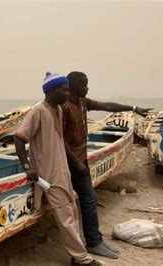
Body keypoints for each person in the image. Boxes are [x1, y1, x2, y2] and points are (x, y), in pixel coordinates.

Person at [61, 71, 152, 259]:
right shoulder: (65, 107)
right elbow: (59, 138)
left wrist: (134, 108)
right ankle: (93, 242)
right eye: (84, 84)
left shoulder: (82, 102)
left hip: (81, 159)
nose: (87, 87)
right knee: (88, 198)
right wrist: (76, 161)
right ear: (75, 85)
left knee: (87, 198)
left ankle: (94, 241)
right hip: (70, 162)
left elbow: (107, 106)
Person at [14, 72, 102, 266]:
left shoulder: (59, 110)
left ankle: (76, 255)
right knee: (66, 216)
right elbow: (19, 138)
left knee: (72, 210)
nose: (67, 93)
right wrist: (28, 167)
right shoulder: (38, 111)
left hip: (62, 171)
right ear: (52, 91)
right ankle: (82, 259)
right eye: (64, 90)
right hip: (49, 174)